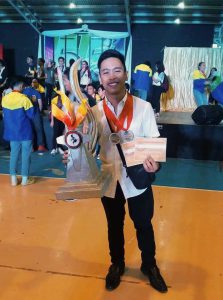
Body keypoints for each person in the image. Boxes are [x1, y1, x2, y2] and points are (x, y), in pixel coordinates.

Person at [64, 50, 168, 293]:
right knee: (114, 225)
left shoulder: (143, 107)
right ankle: (117, 264)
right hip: (110, 178)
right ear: (100, 78)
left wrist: (155, 163)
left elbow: (154, 144)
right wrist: (73, 154)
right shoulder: (93, 114)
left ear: (125, 73)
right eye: (106, 72)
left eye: (117, 70)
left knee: (144, 224)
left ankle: (149, 265)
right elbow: (85, 147)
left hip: (137, 178)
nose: (112, 76)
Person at [2, 77, 35, 186]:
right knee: (26, 155)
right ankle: (25, 180)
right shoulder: (24, 99)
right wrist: (33, 102)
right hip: (25, 132)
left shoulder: (5, 98)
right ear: (21, 86)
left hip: (12, 133)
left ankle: (13, 180)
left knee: (13, 155)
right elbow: (31, 115)